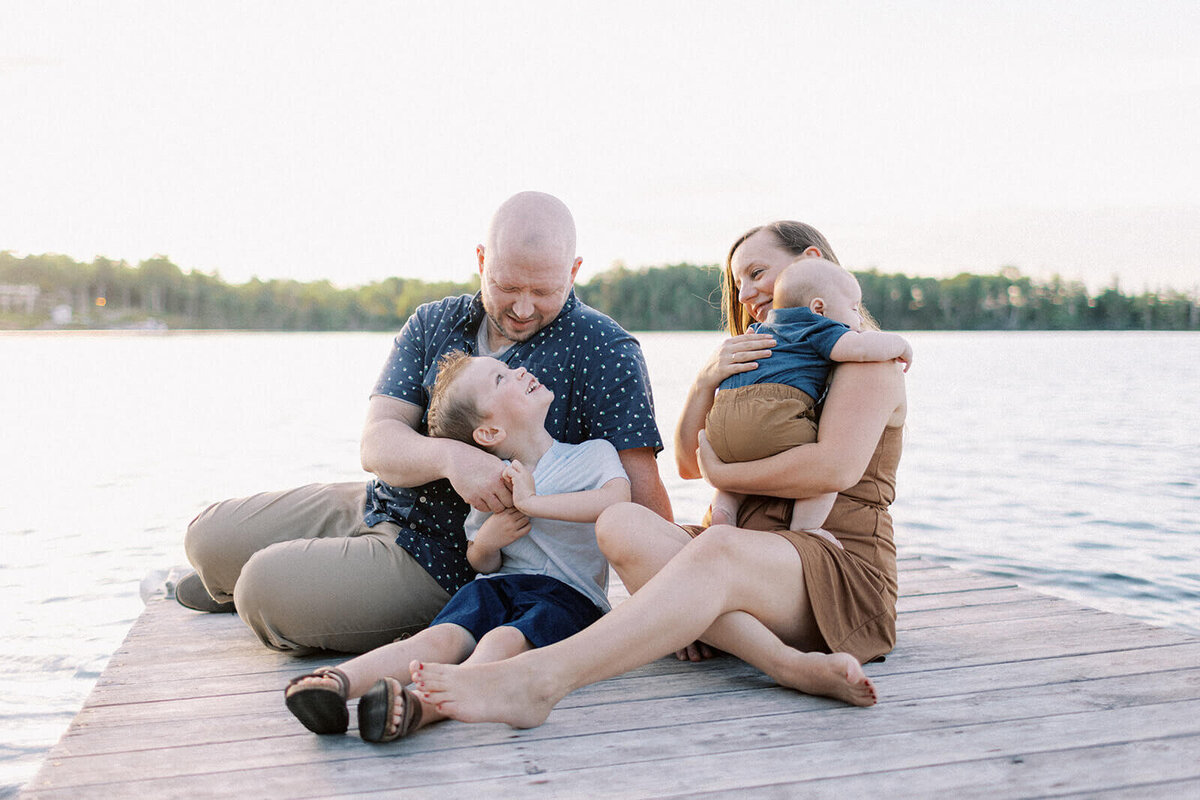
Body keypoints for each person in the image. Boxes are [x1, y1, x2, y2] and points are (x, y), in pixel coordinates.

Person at [405, 220, 906, 727]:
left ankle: (541, 679)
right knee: (619, 523)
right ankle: (786, 663)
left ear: (812, 263)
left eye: (758, 273)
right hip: (751, 558)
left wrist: (723, 468)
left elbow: (832, 469)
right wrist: (707, 379)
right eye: (739, 283)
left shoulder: (868, 358)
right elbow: (690, 466)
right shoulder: (759, 356)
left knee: (716, 547)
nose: (748, 292)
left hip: (835, 566)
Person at [179, 191, 671, 653]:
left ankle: (256, 594)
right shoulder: (434, 321)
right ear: (481, 261)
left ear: (574, 271)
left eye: (543, 291)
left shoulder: (604, 348)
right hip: (380, 501)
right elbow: (377, 442)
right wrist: (453, 456)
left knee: (265, 590)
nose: (523, 308)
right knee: (205, 539)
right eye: (506, 286)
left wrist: (678, 605)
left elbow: (639, 484)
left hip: (458, 561)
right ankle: (251, 583)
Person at [284, 351, 629, 742]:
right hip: (499, 587)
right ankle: (336, 682)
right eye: (501, 379)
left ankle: (424, 706)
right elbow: (480, 561)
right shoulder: (494, 483)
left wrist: (534, 504)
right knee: (440, 638)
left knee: (503, 639)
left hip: (570, 600)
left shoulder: (591, 454)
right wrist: (488, 541)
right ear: (489, 434)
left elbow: (616, 502)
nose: (519, 371)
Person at [706, 256, 911, 532]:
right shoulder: (816, 325)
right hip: (769, 414)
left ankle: (723, 511)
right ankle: (807, 530)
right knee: (816, 472)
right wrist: (899, 343)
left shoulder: (760, 328)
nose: (859, 317)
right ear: (819, 307)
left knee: (742, 455)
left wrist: (720, 472)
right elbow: (856, 348)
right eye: (853, 309)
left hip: (721, 420)